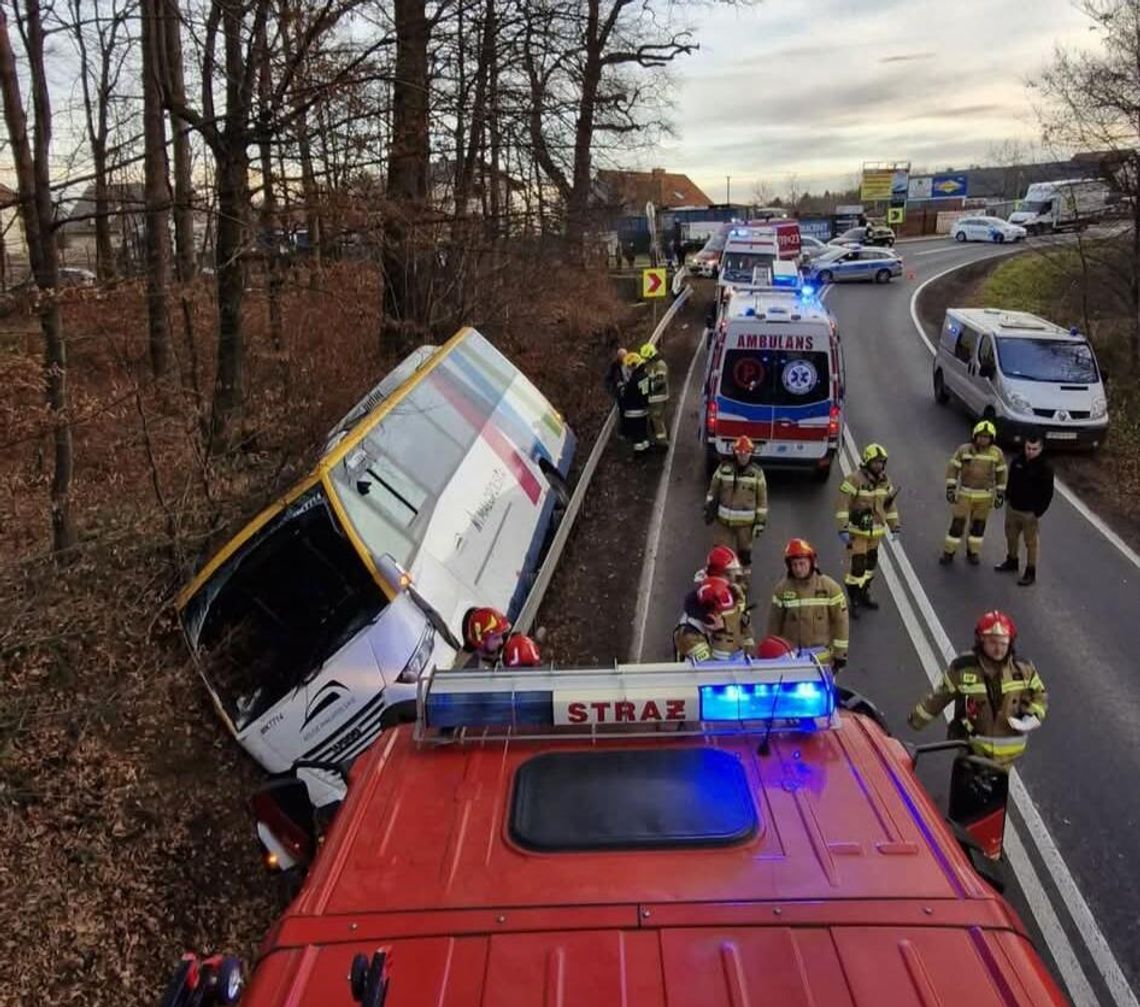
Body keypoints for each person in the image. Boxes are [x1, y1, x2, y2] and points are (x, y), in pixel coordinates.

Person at [907, 610, 1047, 767]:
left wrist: (1032, 716)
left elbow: (1040, 696)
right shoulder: (963, 668)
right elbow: (939, 697)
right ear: (981, 641)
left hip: (1009, 753)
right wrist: (916, 720)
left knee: (998, 789)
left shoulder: (1024, 669)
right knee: (965, 787)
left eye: (1003, 643)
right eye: (993, 642)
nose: (998, 649)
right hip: (972, 749)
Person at [835, 442, 900, 618]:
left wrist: (895, 527)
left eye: (881, 462)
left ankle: (864, 593)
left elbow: (890, 506)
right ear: (867, 462)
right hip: (857, 533)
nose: (879, 465)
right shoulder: (854, 479)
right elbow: (842, 504)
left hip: (876, 533)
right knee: (857, 566)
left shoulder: (886, 481)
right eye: (875, 462)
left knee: (870, 565)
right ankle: (853, 599)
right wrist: (843, 529)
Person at [766, 538, 849, 672]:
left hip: (821, 660)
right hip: (791, 660)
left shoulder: (830, 588)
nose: (798, 569)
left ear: (812, 563)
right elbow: (774, 625)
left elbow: (841, 623)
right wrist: (771, 655)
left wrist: (840, 655)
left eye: (802, 564)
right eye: (794, 565)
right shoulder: (782, 590)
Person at [940, 419, 1007, 566]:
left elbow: (1001, 474)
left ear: (992, 438)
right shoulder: (964, 450)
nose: (983, 439)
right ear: (975, 436)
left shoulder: (997, 454)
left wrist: (1000, 494)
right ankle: (949, 552)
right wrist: (951, 488)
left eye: (987, 437)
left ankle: (973, 552)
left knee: (978, 527)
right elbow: (953, 468)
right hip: (965, 493)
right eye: (981, 436)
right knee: (957, 524)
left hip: (985, 496)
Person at [995, 429, 1054, 586]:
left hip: (1030, 513)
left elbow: (1048, 493)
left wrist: (1038, 512)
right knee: (1011, 536)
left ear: (1041, 449)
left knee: (1031, 543)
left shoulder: (1045, 468)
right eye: (1028, 448)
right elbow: (1011, 481)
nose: (1030, 452)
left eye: (1034, 449)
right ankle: (1012, 561)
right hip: (1013, 508)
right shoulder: (1017, 461)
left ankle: (1030, 571)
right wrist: (1007, 497)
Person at [704, 435, 768, 568]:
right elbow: (713, 489)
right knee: (721, 552)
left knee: (744, 554)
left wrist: (760, 522)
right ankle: (720, 577)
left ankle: (742, 581)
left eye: (746, 454)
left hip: (745, 525)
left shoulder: (757, 473)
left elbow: (762, 500)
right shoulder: (724, 469)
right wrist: (708, 507)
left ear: (751, 454)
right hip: (724, 522)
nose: (743, 457)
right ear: (735, 453)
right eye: (740, 453)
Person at [693, 545, 754, 658]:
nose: (734, 577)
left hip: (738, 652)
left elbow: (743, 619)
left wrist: (748, 647)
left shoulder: (735, 591)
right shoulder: (708, 594)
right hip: (720, 655)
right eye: (730, 574)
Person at [673, 576, 737, 661]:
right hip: (694, 673)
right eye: (721, 613)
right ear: (710, 615)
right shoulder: (688, 636)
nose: (726, 618)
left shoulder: (701, 616)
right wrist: (720, 634)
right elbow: (711, 668)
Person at [617, 351, 651, 454]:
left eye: (629, 367)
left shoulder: (634, 380)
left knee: (636, 436)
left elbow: (627, 394)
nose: (629, 369)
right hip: (644, 409)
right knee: (643, 432)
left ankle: (639, 453)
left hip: (634, 411)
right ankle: (646, 448)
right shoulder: (645, 375)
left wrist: (622, 388)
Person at [639, 342, 670, 448]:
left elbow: (661, 381)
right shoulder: (649, 365)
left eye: (646, 357)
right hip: (652, 399)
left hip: (659, 398)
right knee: (654, 420)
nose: (645, 359)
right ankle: (657, 440)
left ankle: (662, 443)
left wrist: (648, 388)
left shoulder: (660, 365)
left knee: (657, 419)